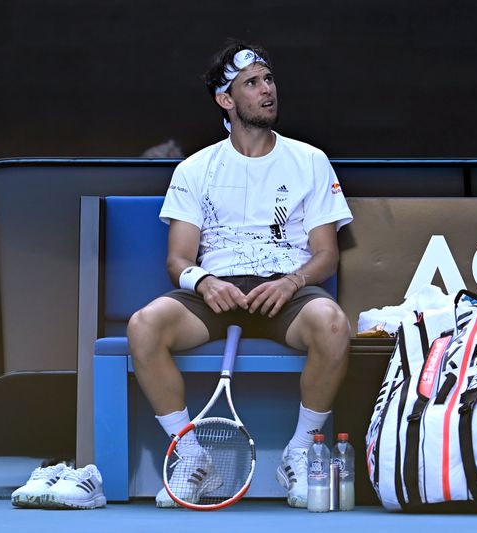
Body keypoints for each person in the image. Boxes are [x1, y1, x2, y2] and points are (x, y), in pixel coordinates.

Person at [126, 38, 353, 509]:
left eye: (268, 79)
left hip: (286, 293)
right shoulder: (194, 169)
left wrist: (291, 282)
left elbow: (325, 254)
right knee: (143, 325)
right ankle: (191, 456)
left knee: (333, 324)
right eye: (251, 83)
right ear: (226, 100)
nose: (266, 89)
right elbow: (178, 259)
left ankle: (298, 455)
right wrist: (205, 283)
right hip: (215, 294)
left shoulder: (310, 161)